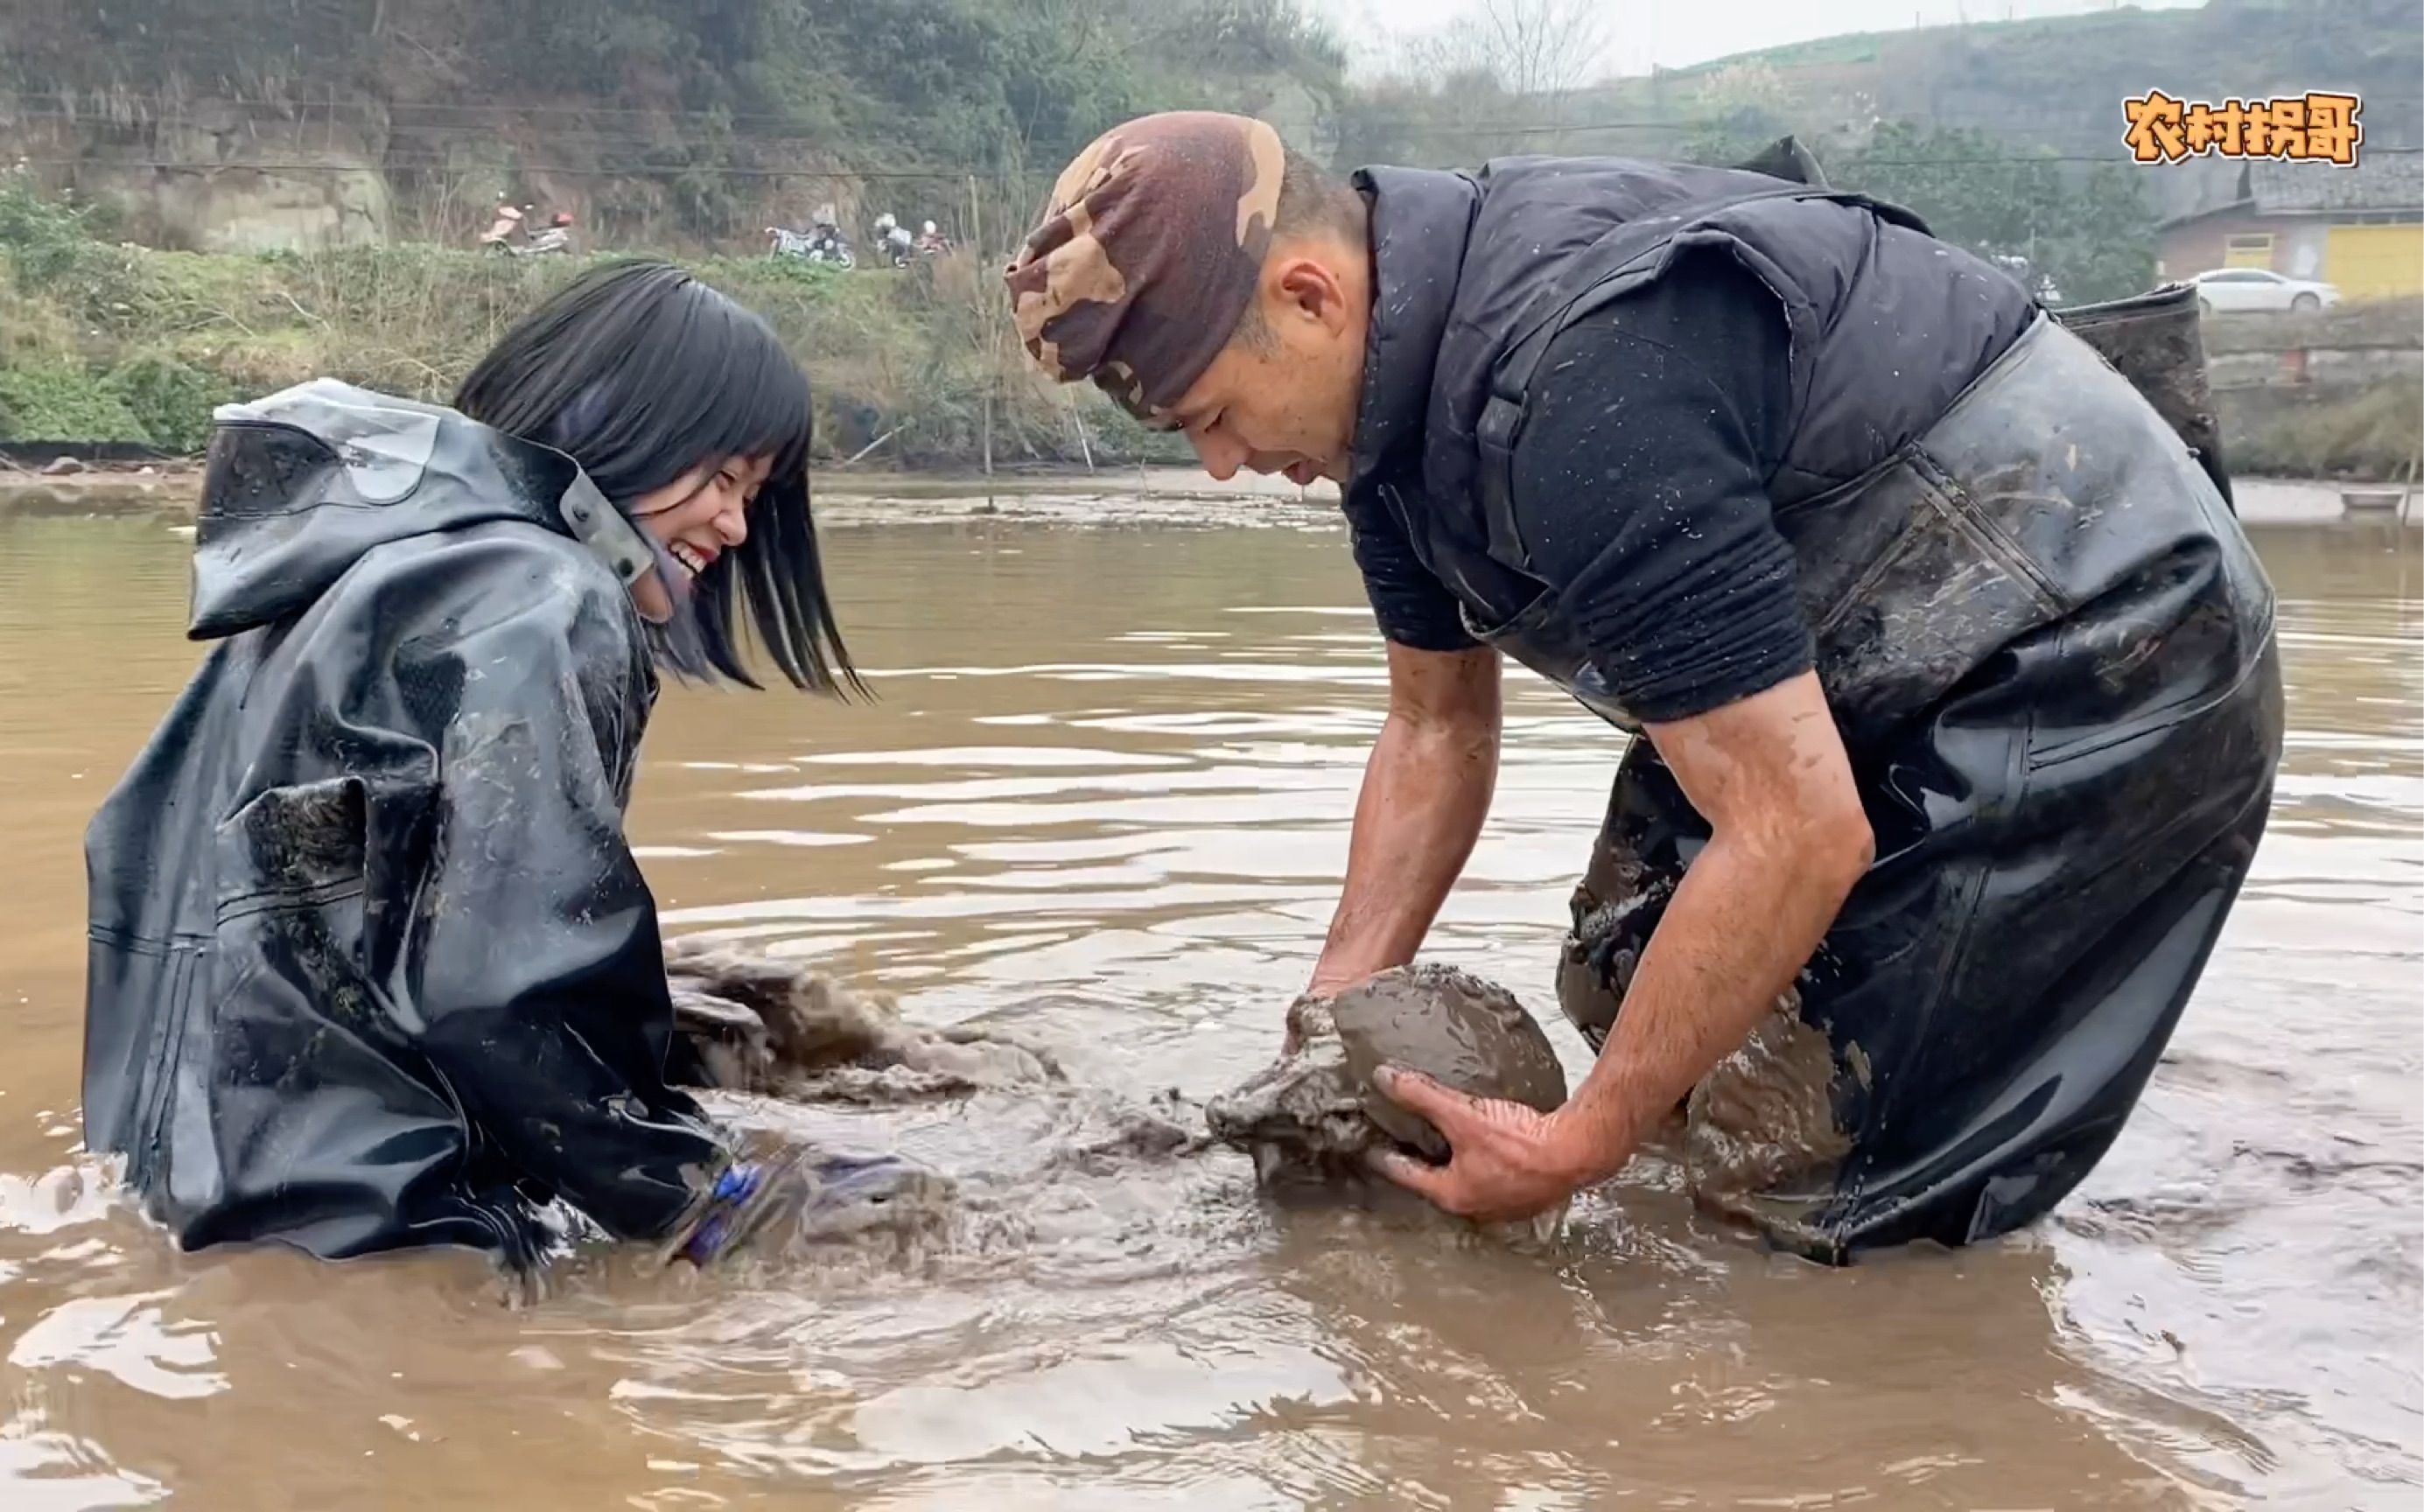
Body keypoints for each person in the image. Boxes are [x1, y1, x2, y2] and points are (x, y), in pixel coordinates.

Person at [1002, 112, 2283, 1261]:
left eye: (1213, 415)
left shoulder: (1583, 383)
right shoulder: (1380, 420)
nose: (1222, 466)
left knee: (1807, 1173)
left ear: (1308, 295)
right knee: (1621, 982)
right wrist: (1329, 1006)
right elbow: (1431, 726)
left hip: (2096, 641)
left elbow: (1794, 825)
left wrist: (1580, 1143)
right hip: (1859, 641)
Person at [81, 259, 895, 1271]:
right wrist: (716, 1202)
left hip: (195, 1207)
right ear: (621, 424)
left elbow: (272, 912)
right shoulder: (544, 591)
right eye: (724, 479)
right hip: (397, 1249)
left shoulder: (320, 594)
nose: (732, 525)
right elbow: (497, 989)